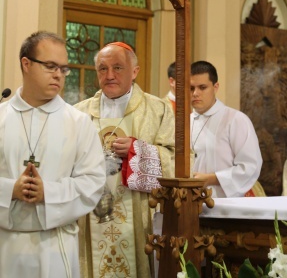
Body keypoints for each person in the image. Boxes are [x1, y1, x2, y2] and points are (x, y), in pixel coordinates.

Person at [0, 31, 106, 278]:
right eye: (50, 66)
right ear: (26, 64)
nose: (59, 74)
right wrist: (10, 190)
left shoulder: (79, 122)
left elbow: (93, 182)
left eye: (63, 68)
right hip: (4, 244)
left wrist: (48, 193)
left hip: (55, 246)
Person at [75, 42, 175, 278]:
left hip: (140, 219)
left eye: (118, 68)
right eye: (102, 69)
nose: (109, 75)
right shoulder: (78, 114)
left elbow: (180, 162)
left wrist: (138, 151)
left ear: (135, 71)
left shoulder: (157, 109)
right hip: (90, 218)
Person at [190, 60, 263, 198]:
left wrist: (211, 179)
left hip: (224, 204)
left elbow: (250, 166)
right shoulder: (183, 123)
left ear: (215, 87)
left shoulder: (235, 120)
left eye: (202, 87)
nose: (195, 93)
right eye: (191, 88)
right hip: (188, 203)